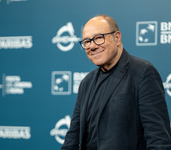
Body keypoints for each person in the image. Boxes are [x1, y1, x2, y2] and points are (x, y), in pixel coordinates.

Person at [61, 14, 171, 150]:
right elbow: (73, 136)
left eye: (98, 38)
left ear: (117, 37)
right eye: (87, 41)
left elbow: (158, 139)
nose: (92, 46)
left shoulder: (142, 72)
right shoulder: (86, 82)